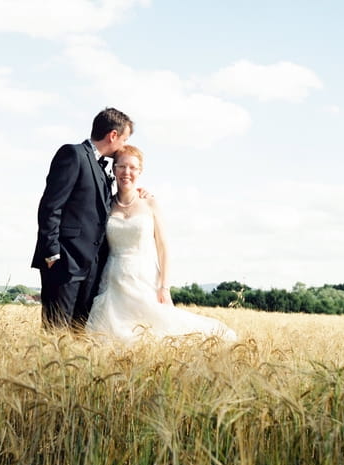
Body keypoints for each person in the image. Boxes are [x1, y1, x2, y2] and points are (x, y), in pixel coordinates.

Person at [86, 145, 237, 343]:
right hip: (113, 278)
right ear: (114, 170)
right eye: (122, 166)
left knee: (157, 328)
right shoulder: (107, 203)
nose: (127, 172)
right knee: (111, 336)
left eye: (132, 168)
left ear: (140, 171)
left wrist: (164, 287)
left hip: (145, 276)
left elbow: (163, 247)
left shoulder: (150, 204)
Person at [31, 107, 133, 329]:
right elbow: (51, 205)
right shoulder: (73, 154)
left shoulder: (104, 167)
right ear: (112, 135)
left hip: (92, 268)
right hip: (63, 262)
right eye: (124, 139)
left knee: (79, 333)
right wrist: (51, 253)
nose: (123, 146)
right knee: (55, 332)